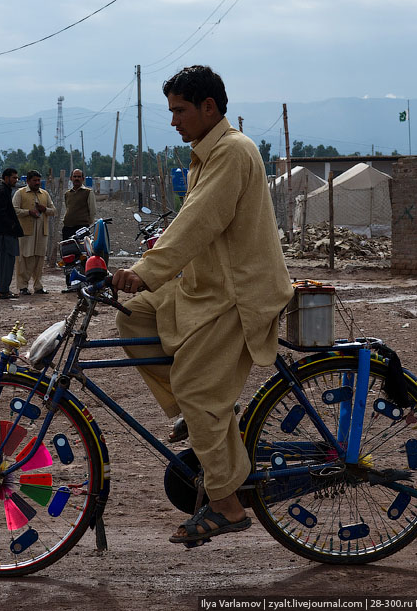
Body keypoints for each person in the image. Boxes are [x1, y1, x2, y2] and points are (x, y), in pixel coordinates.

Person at [111, 65, 293, 547]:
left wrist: (146, 270)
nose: (174, 121)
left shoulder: (232, 152)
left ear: (209, 107)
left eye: (180, 110)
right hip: (207, 285)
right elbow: (189, 222)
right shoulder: (205, 155)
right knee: (134, 315)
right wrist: (147, 267)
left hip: (239, 292)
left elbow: (198, 222)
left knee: (195, 383)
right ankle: (198, 416)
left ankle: (227, 505)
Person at [12, 170, 56, 295]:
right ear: (28, 181)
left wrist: (44, 209)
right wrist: (28, 212)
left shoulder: (44, 194)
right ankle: (23, 287)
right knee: (24, 259)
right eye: (34, 180)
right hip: (26, 232)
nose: (37, 183)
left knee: (39, 259)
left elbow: (53, 210)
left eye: (38, 180)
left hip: (42, 233)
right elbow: (14, 210)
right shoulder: (20, 193)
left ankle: (38, 286)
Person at [0, 168, 23, 299]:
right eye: (14, 178)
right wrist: (12, 225)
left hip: (6, 233)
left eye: (16, 178)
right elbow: (0, 212)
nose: (16, 180)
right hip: (5, 234)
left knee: (6, 263)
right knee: (5, 262)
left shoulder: (5, 191)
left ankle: (4, 289)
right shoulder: (1, 192)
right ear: (6, 178)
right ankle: (4, 291)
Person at [61, 168, 96, 240]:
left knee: (81, 249)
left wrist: (87, 225)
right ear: (71, 178)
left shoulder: (88, 192)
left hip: (81, 228)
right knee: (67, 249)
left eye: (79, 177)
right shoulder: (68, 193)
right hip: (68, 228)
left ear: (83, 179)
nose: (77, 178)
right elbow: (68, 208)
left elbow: (92, 211)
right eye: (75, 176)